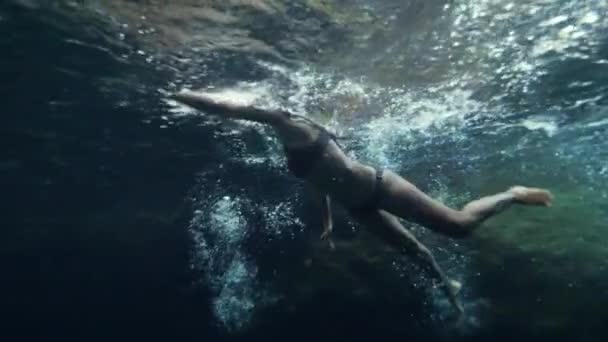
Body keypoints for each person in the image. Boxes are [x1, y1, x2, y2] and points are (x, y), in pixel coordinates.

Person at [172, 90, 553, 316]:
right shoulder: (288, 146)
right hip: (358, 206)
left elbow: (230, 107)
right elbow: (316, 185)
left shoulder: (291, 122)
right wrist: (326, 223)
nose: (268, 111)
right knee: (414, 252)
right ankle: (451, 294)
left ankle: (512, 194)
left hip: (381, 185)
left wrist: (182, 95)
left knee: (458, 227)